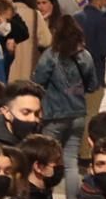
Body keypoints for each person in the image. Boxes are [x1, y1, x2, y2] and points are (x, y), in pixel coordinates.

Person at [30, 16, 97, 171]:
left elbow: (37, 81)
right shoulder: (85, 56)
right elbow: (92, 85)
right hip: (78, 114)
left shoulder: (50, 55)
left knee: (46, 159)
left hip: (54, 115)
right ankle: (73, 197)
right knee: (71, 161)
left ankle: (45, 193)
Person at [0, 79, 45, 148]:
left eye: (36, 114)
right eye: (26, 113)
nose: (33, 119)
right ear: (6, 112)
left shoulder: (37, 137)